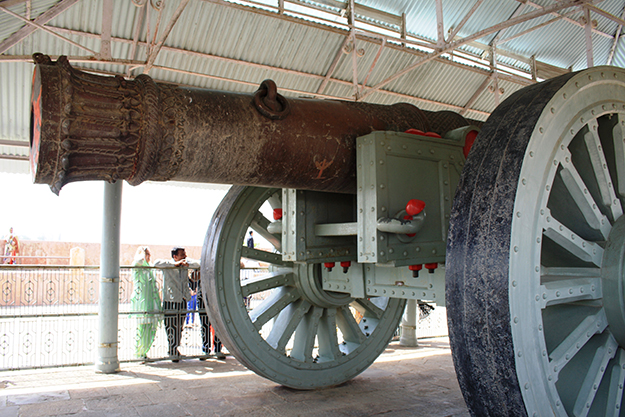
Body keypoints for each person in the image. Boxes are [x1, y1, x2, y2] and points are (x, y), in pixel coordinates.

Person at [154, 247, 199, 362]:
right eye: (182, 255)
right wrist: (174, 264)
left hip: (182, 300)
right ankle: (172, 349)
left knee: (179, 326)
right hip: (170, 300)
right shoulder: (168, 266)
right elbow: (156, 263)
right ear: (175, 256)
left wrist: (186, 262)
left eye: (185, 255)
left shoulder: (185, 265)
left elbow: (198, 264)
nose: (184, 257)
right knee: (170, 326)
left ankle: (175, 348)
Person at [130, 246, 161, 361]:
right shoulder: (138, 266)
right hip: (142, 303)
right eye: (146, 254)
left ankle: (144, 351)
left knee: (151, 328)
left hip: (152, 303)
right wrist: (142, 253)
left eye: (148, 254)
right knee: (142, 329)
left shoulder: (150, 268)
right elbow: (138, 261)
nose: (148, 256)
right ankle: (139, 352)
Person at [190, 270, 225, 360]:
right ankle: (206, 349)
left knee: (218, 324)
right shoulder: (201, 263)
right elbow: (193, 277)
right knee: (204, 324)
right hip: (203, 297)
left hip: (215, 296)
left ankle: (218, 349)